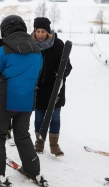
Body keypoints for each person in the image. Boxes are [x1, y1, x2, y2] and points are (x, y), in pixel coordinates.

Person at [0, 15, 43, 183]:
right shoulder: (37, 50)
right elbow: (37, 72)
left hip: (7, 99)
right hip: (28, 99)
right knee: (22, 134)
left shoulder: (4, 49)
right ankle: (33, 170)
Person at [32, 17, 72, 157]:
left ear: (48, 32)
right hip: (38, 88)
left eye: (43, 31)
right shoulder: (30, 45)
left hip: (55, 88)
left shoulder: (58, 45)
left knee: (55, 117)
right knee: (39, 117)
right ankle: (39, 143)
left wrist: (61, 73)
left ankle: (54, 145)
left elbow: (68, 66)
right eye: (38, 31)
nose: (40, 34)